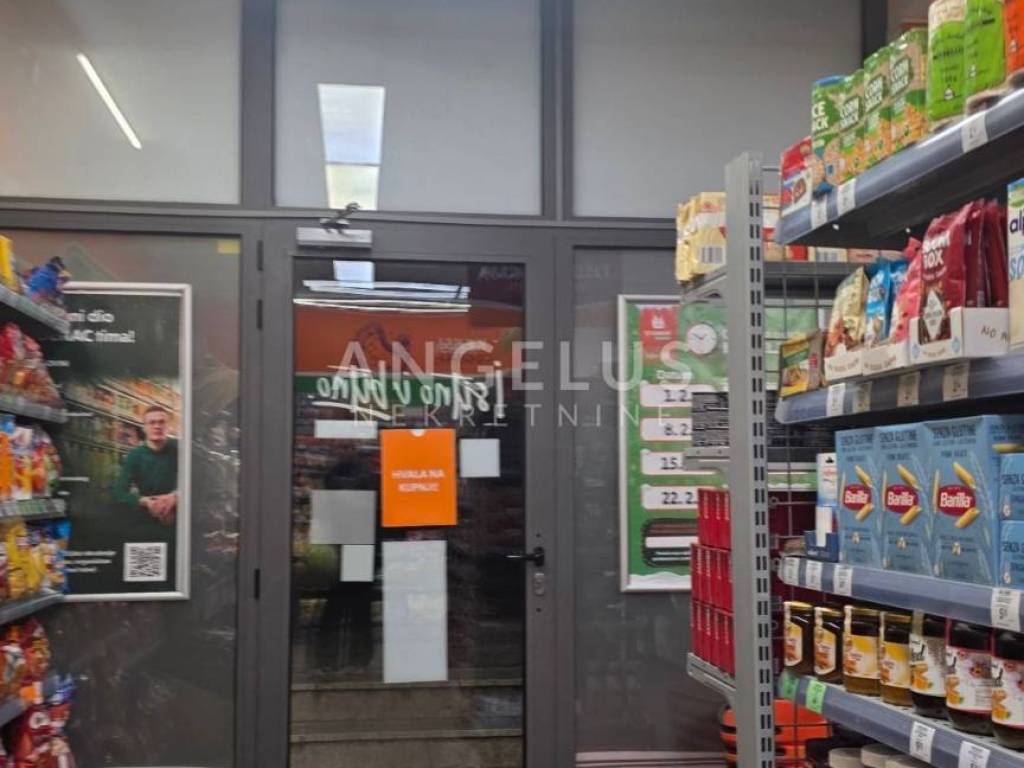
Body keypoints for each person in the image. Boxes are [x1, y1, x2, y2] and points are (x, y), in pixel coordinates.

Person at [113, 405, 178, 525]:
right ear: (144, 428)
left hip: (182, 514)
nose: (157, 426)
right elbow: (118, 492)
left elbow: (199, 481)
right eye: (152, 422)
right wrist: (146, 501)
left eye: (162, 422)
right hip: (148, 515)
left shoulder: (181, 449)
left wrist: (175, 497)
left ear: (168, 426)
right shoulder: (134, 456)